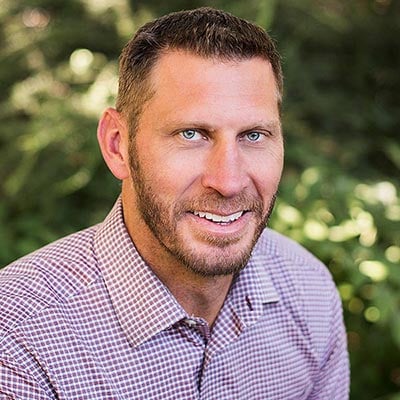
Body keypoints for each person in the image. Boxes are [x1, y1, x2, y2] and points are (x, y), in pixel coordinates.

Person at [0, 7, 349, 399]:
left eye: (253, 135)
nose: (228, 181)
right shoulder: (18, 336)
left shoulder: (310, 290)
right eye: (191, 134)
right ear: (118, 145)